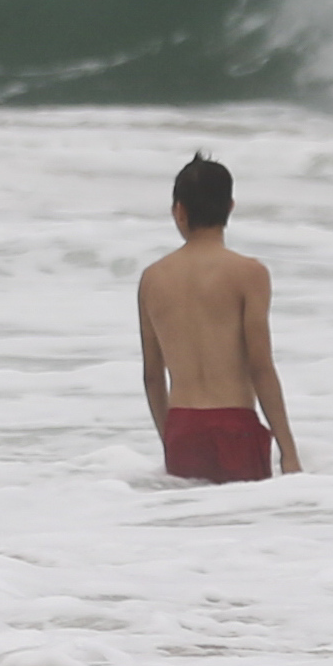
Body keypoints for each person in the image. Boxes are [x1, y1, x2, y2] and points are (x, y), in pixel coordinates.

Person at [136, 149, 298, 481]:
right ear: (230, 207)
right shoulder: (249, 273)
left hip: (182, 429)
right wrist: (288, 451)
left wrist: (170, 440)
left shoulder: (152, 278)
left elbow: (153, 376)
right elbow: (260, 367)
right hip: (234, 427)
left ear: (178, 211)